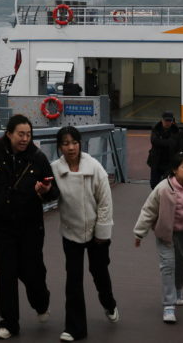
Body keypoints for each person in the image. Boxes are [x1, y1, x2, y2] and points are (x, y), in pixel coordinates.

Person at [0, 114, 59, 340]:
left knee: (33, 271)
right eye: (20, 134)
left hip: (30, 224)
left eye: (28, 134)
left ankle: (41, 301)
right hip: (4, 224)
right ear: (9, 134)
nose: (24, 138)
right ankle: (8, 323)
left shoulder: (38, 158)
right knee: (7, 275)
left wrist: (45, 191)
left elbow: (55, 192)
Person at [51, 126, 118, 341]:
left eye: (74, 142)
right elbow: (49, 195)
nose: (70, 147)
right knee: (73, 279)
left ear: (80, 143)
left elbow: (105, 202)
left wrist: (102, 231)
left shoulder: (94, 167)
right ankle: (74, 328)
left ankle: (109, 303)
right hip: (71, 231)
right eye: (65, 143)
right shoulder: (55, 169)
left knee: (99, 273)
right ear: (59, 146)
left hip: (96, 231)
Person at [133, 153, 183, 324]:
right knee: (168, 265)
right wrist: (139, 233)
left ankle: (178, 288)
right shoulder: (163, 188)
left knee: (182, 262)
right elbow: (148, 210)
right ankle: (168, 305)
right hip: (165, 233)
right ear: (174, 169)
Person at [147, 112, 183, 188]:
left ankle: (164, 198)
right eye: (166, 121)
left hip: (170, 162)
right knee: (153, 183)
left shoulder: (178, 132)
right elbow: (155, 141)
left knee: (167, 184)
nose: (167, 123)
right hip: (157, 161)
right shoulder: (156, 129)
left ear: (172, 121)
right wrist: (170, 142)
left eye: (169, 121)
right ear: (162, 120)